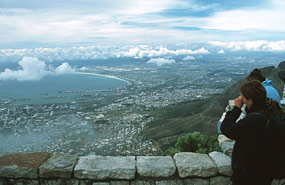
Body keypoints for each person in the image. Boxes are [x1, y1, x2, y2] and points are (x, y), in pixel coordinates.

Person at [221, 80, 282, 185]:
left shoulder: (254, 119)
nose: (242, 100)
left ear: (250, 100)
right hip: (266, 171)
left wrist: (236, 108)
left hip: (250, 174)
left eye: (243, 97)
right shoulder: (270, 112)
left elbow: (227, 129)